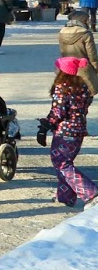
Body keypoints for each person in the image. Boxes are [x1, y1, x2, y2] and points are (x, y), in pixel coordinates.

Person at [41, 57, 97, 207]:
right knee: (65, 162)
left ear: (63, 71)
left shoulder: (62, 87)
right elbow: (86, 104)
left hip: (65, 131)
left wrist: (46, 124)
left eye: (57, 67)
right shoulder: (84, 86)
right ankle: (65, 197)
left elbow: (58, 112)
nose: (55, 70)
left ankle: (91, 192)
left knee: (62, 164)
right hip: (79, 130)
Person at [56, 9, 98, 94]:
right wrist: (95, 67)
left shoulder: (62, 33)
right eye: (87, 20)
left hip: (67, 68)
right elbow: (91, 54)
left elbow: (63, 51)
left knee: (67, 93)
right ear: (83, 21)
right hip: (83, 68)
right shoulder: (85, 34)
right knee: (84, 95)